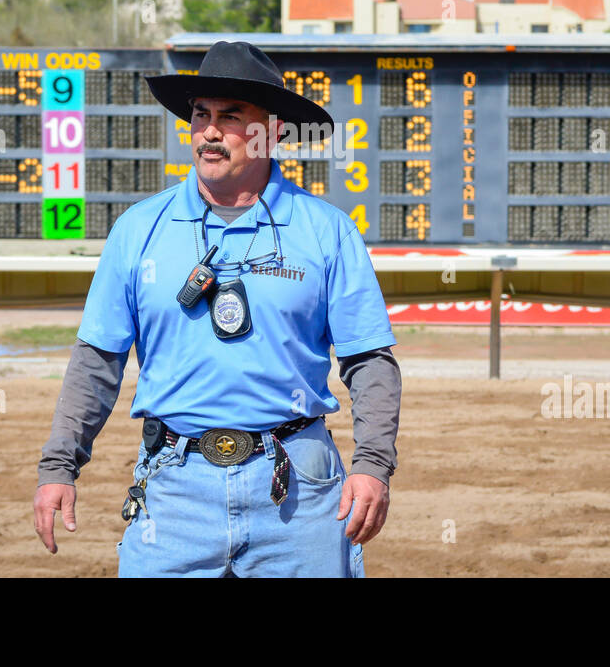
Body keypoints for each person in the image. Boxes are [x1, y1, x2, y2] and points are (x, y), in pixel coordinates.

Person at [34, 40, 402, 577]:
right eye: (200, 115)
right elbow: (97, 362)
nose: (209, 130)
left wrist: (372, 466)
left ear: (272, 130)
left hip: (299, 486)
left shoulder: (328, 231)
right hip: (173, 488)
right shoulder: (138, 230)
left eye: (230, 117)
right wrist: (58, 467)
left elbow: (370, 362)